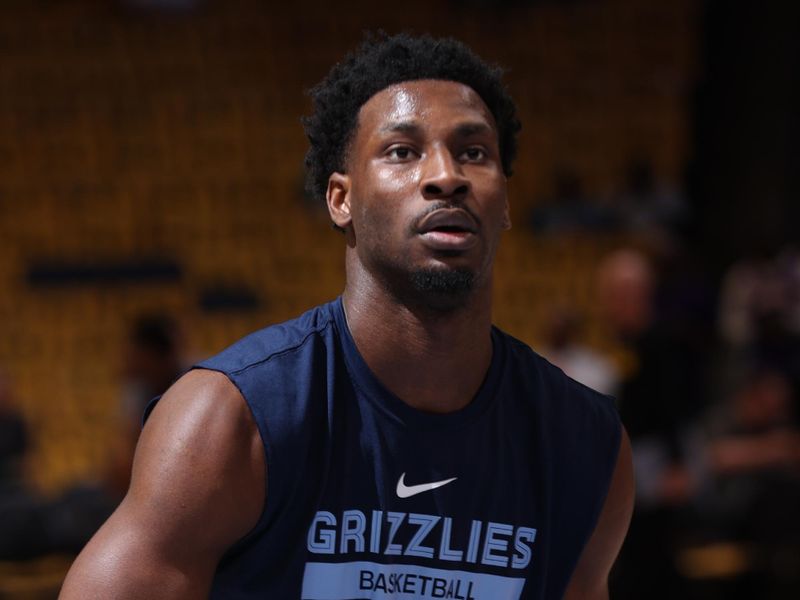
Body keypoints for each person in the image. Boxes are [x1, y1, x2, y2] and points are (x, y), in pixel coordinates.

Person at [60, 33, 633, 599]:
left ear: (504, 201)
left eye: (474, 152)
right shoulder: (230, 421)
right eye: (402, 151)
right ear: (341, 199)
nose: (446, 175)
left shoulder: (583, 443)